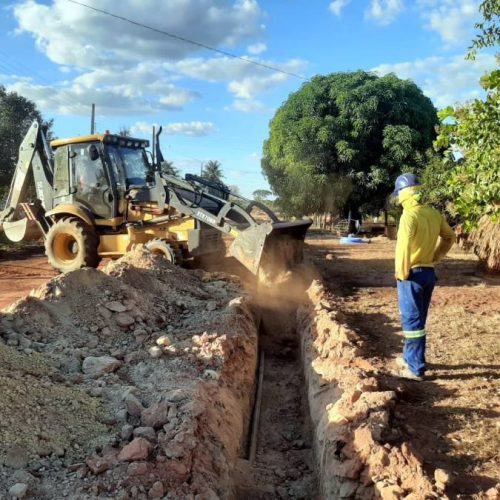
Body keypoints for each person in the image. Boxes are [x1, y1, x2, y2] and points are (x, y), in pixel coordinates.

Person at [392, 173, 456, 380]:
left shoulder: (409, 216)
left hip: (411, 274)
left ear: (403, 194)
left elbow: (403, 247)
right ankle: (410, 358)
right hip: (428, 274)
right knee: (418, 321)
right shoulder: (434, 214)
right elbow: (449, 237)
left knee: (412, 324)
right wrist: (435, 257)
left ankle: (414, 368)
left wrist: (401, 273)